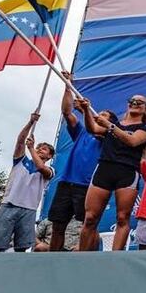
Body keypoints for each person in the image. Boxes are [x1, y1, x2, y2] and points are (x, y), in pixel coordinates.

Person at [77, 94, 146, 251]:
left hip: (127, 172)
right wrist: (85, 110)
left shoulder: (145, 128)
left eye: (139, 102)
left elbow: (132, 141)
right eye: (131, 101)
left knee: (122, 217)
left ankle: (115, 256)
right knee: (90, 218)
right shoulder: (115, 124)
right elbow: (93, 129)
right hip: (104, 169)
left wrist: (110, 126)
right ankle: (82, 257)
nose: (134, 103)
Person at [46, 72, 107, 251]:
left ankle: (89, 259)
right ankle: (52, 260)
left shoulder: (109, 138)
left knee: (89, 225)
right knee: (58, 225)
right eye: (98, 114)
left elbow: (99, 128)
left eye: (103, 115)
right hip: (66, 183)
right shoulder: (81, 132)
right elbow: (66, 111)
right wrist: (68, 85)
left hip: (88, 186)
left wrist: (87, 110)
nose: (98, 116)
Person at [0, 114, 55, 252]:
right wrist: (31, 122)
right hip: (9, 204)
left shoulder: (50, 170)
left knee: (22, 246)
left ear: (50, 156)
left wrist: (31, 149)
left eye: (44, 149)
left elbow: (40, 168)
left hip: (29, 208)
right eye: (38, 147)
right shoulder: (21, 161)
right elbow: (20, 141)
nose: (39, 149)